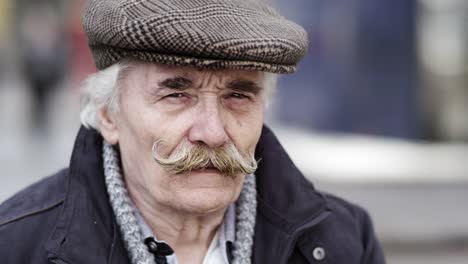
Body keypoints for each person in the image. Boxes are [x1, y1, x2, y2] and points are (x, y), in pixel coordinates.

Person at [0, 0, 386, 263]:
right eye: (176, 94)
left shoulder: (345, 241)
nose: (213, 133)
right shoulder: (16, 246)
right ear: (108, 115)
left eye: (237, 95)